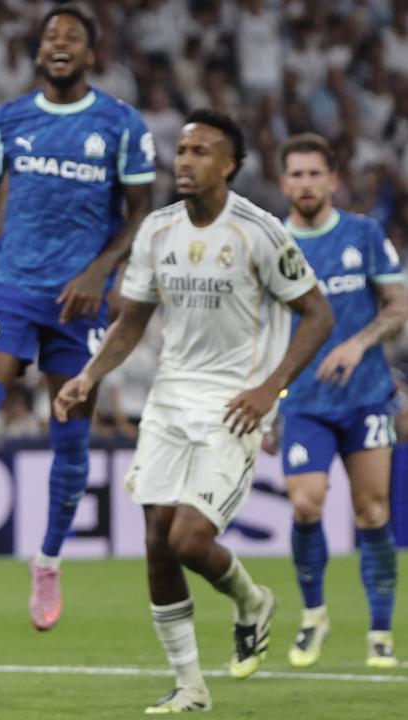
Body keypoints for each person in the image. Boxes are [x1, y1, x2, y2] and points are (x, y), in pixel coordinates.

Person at [53, 110, 334, 712]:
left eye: (201, 151)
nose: (184, 161)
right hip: (169, 402)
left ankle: (252, 600)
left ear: (228, 164)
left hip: (232, 407)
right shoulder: (156, 231)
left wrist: (271, 390)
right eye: (180, 151)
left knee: (188, 538)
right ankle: (191, 686)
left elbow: (319, 315)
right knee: (157, 541)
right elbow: (132, 320)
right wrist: (88, 376)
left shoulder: (258, 231)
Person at [0, 4, 156, 633]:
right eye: (51, 37)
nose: (60, 45)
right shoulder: (8, 120)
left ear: (89, 54)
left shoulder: (120, 124)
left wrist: (100, 271)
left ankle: (48, 560)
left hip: (80, 302)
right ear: (38, 51)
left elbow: (142, 212)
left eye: (72, 38)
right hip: (13, 287)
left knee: (70, 431)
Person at [272, 133, 404, 669]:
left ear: (333, 180)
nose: (305, 183)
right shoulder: (270, 242)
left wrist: (358, 342)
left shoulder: (364, 234)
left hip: (368, 398)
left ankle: (379, 631)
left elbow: (397, 305)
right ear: (283, 183)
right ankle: (313, 615)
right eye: (296, 174)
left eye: (314, 173)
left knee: (372, 511)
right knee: (306, 503)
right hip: (302, 400)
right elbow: (257, 328)